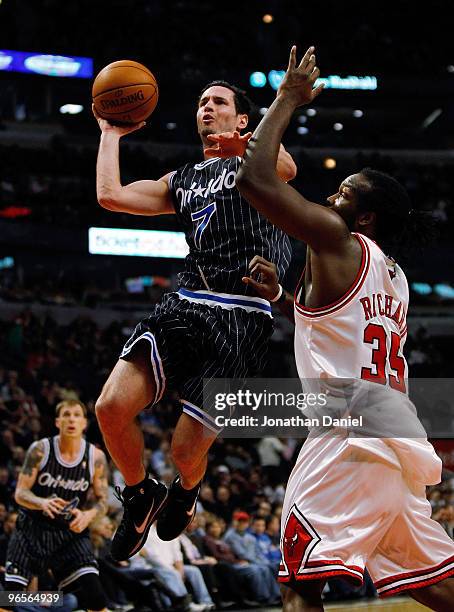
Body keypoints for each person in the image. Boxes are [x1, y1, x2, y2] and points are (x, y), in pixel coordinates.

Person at [235, 45, 454, 611]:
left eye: (342, 194)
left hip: (345, 431)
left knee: (298, 582)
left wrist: (288, 96)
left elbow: (254, 179)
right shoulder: (396, 277)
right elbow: (342, 334)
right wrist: (284, 298)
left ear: (364, 219)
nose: (329, 199)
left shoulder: (337, 239)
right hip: (393, 433)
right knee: (433, 583)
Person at [93, 79, 295, 561]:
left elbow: (286, 166)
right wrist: (110, 132)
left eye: (219, 102)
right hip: (186, 302)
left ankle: (186, 490)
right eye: (201, 101)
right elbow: (111, 196)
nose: (207, 106)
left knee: (186, 452)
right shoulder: (182, 178)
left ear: (242, 119)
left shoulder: (257, 160)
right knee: (109, 407)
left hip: (242, 315)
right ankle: (140, 494)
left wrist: (244, 144)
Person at [5, 399, 109, 612]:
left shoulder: (96, 457)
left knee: (95, 596)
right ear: (57, 422)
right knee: (8, 598)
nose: (71, 419)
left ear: (84, 423)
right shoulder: (40, 450)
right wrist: (41, 502)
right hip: (32, 528)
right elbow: (20, 493)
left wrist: (89, 515)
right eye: (66, 415)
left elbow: (103, 500)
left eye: (77, 415)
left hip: (69, 532)